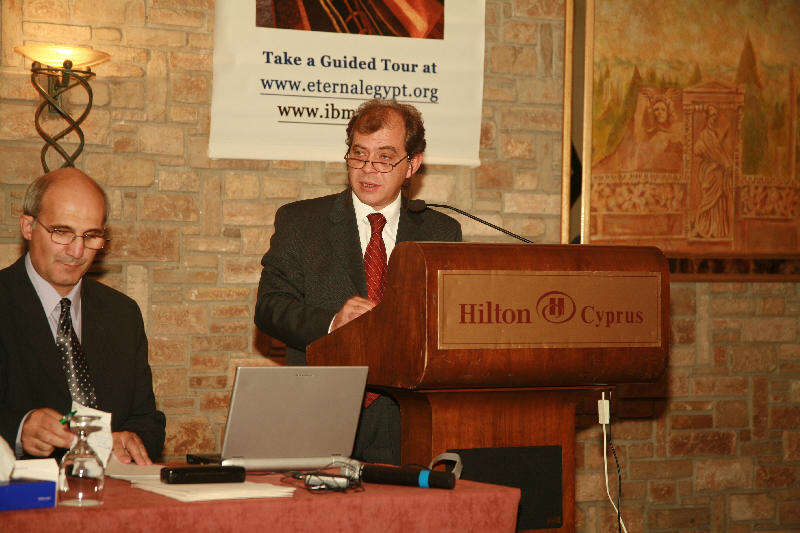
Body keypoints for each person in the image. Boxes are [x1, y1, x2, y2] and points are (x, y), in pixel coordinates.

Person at [255, 99, 461, 464]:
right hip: (319, 411)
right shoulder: (302, 222)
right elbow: (270, 308)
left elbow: (449, 323)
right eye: (359, 154)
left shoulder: (440, 232)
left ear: (412, 164)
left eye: (385, 157)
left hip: (406, 416)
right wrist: (333, 322)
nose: (368, 169)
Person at [0, 168, 165, 465]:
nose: (77, 251)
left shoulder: (123, 314)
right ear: (27, 226)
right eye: (61, 232)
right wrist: (18, 430)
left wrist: (131, 440)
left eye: (91, 236)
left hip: (110, 488)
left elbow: (147, 421)